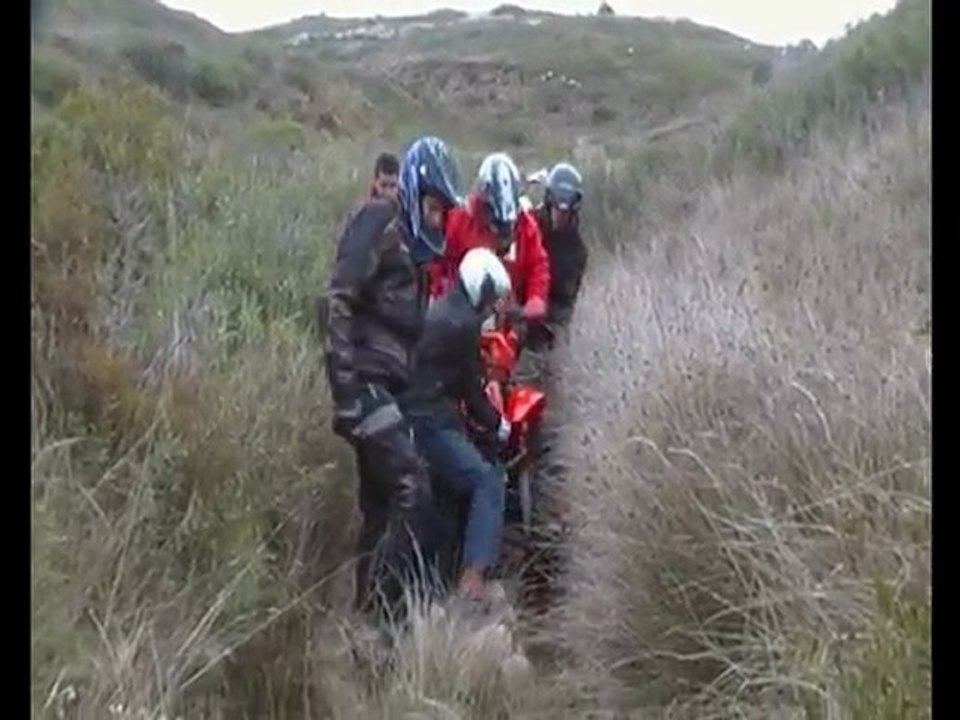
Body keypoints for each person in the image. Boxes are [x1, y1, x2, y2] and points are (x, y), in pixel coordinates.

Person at [323, 135, 464, 620]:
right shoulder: (378, 220)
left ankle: (363, 619)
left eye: (443, 212)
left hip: (387, 386)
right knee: (412, 486)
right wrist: (344, 392)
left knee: (382, 505)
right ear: (415, 191)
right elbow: (338, 297)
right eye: (434, 207)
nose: (438, 220)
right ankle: (382, 616)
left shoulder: (414, 253)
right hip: (364, 381)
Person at [405, 247, 514, 601]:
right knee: (487, 481)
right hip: (430, 421)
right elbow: (470, 388)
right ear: (480, 286)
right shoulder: (463, 323)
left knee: (450, 495)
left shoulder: (445, 309)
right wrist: (500, 425)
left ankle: (442, 581)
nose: (492, 305)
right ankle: (473, 579)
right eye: (492, 295)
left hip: (417, 414)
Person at [430, 153, 550, 329]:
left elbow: (538, 265)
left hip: (509, 315)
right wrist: (444, 303)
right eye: (495, 223)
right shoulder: (460, 220)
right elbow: (441, 267)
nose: (500, 235)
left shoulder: (525, 225)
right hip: (463, 315)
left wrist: (535, 300)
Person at [526, 162, 588, 352]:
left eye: (565, 211)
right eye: (556, 209)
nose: (559, 215)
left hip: (540, 331)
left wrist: (533, 315)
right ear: (548, 201)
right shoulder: (526, 225)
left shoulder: (576, 252)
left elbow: (564, 307)